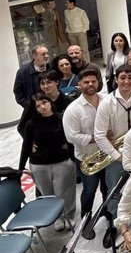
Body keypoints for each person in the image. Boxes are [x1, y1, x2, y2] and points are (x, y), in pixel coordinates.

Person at [93, 65, 131, 247]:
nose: (127, 82)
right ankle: (114, 224)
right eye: (123, 78)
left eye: (130, 77)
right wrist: (117, 156)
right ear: (116, 78)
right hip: (117, 156)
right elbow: (99, 135)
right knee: (115, 190)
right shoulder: (107, 103)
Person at [19, 94, 76, 231]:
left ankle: (67, 216)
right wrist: (20, 168)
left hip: (62, 162)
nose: (42, 107)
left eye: (44, 102)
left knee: (65, 192)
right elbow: (26, 145)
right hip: (39, 164)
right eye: (38, 106)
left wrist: (72, 154)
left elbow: (71, 137)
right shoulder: (31, 124)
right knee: (47, 194)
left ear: (50, 102)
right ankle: (56, 218)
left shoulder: (61, 118)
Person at [63, 68, 108, 218]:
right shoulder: (73, 109)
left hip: (108, 154)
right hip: (88, 158)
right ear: (79, 84)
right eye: (86, 82)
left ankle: (107, 214)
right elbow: (71, 136)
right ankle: (86, 219)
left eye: (93, 81)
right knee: (89, 191)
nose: (90, 84)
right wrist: (96, 138)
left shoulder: (107, 100)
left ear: (98, 83)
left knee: (108, 188)